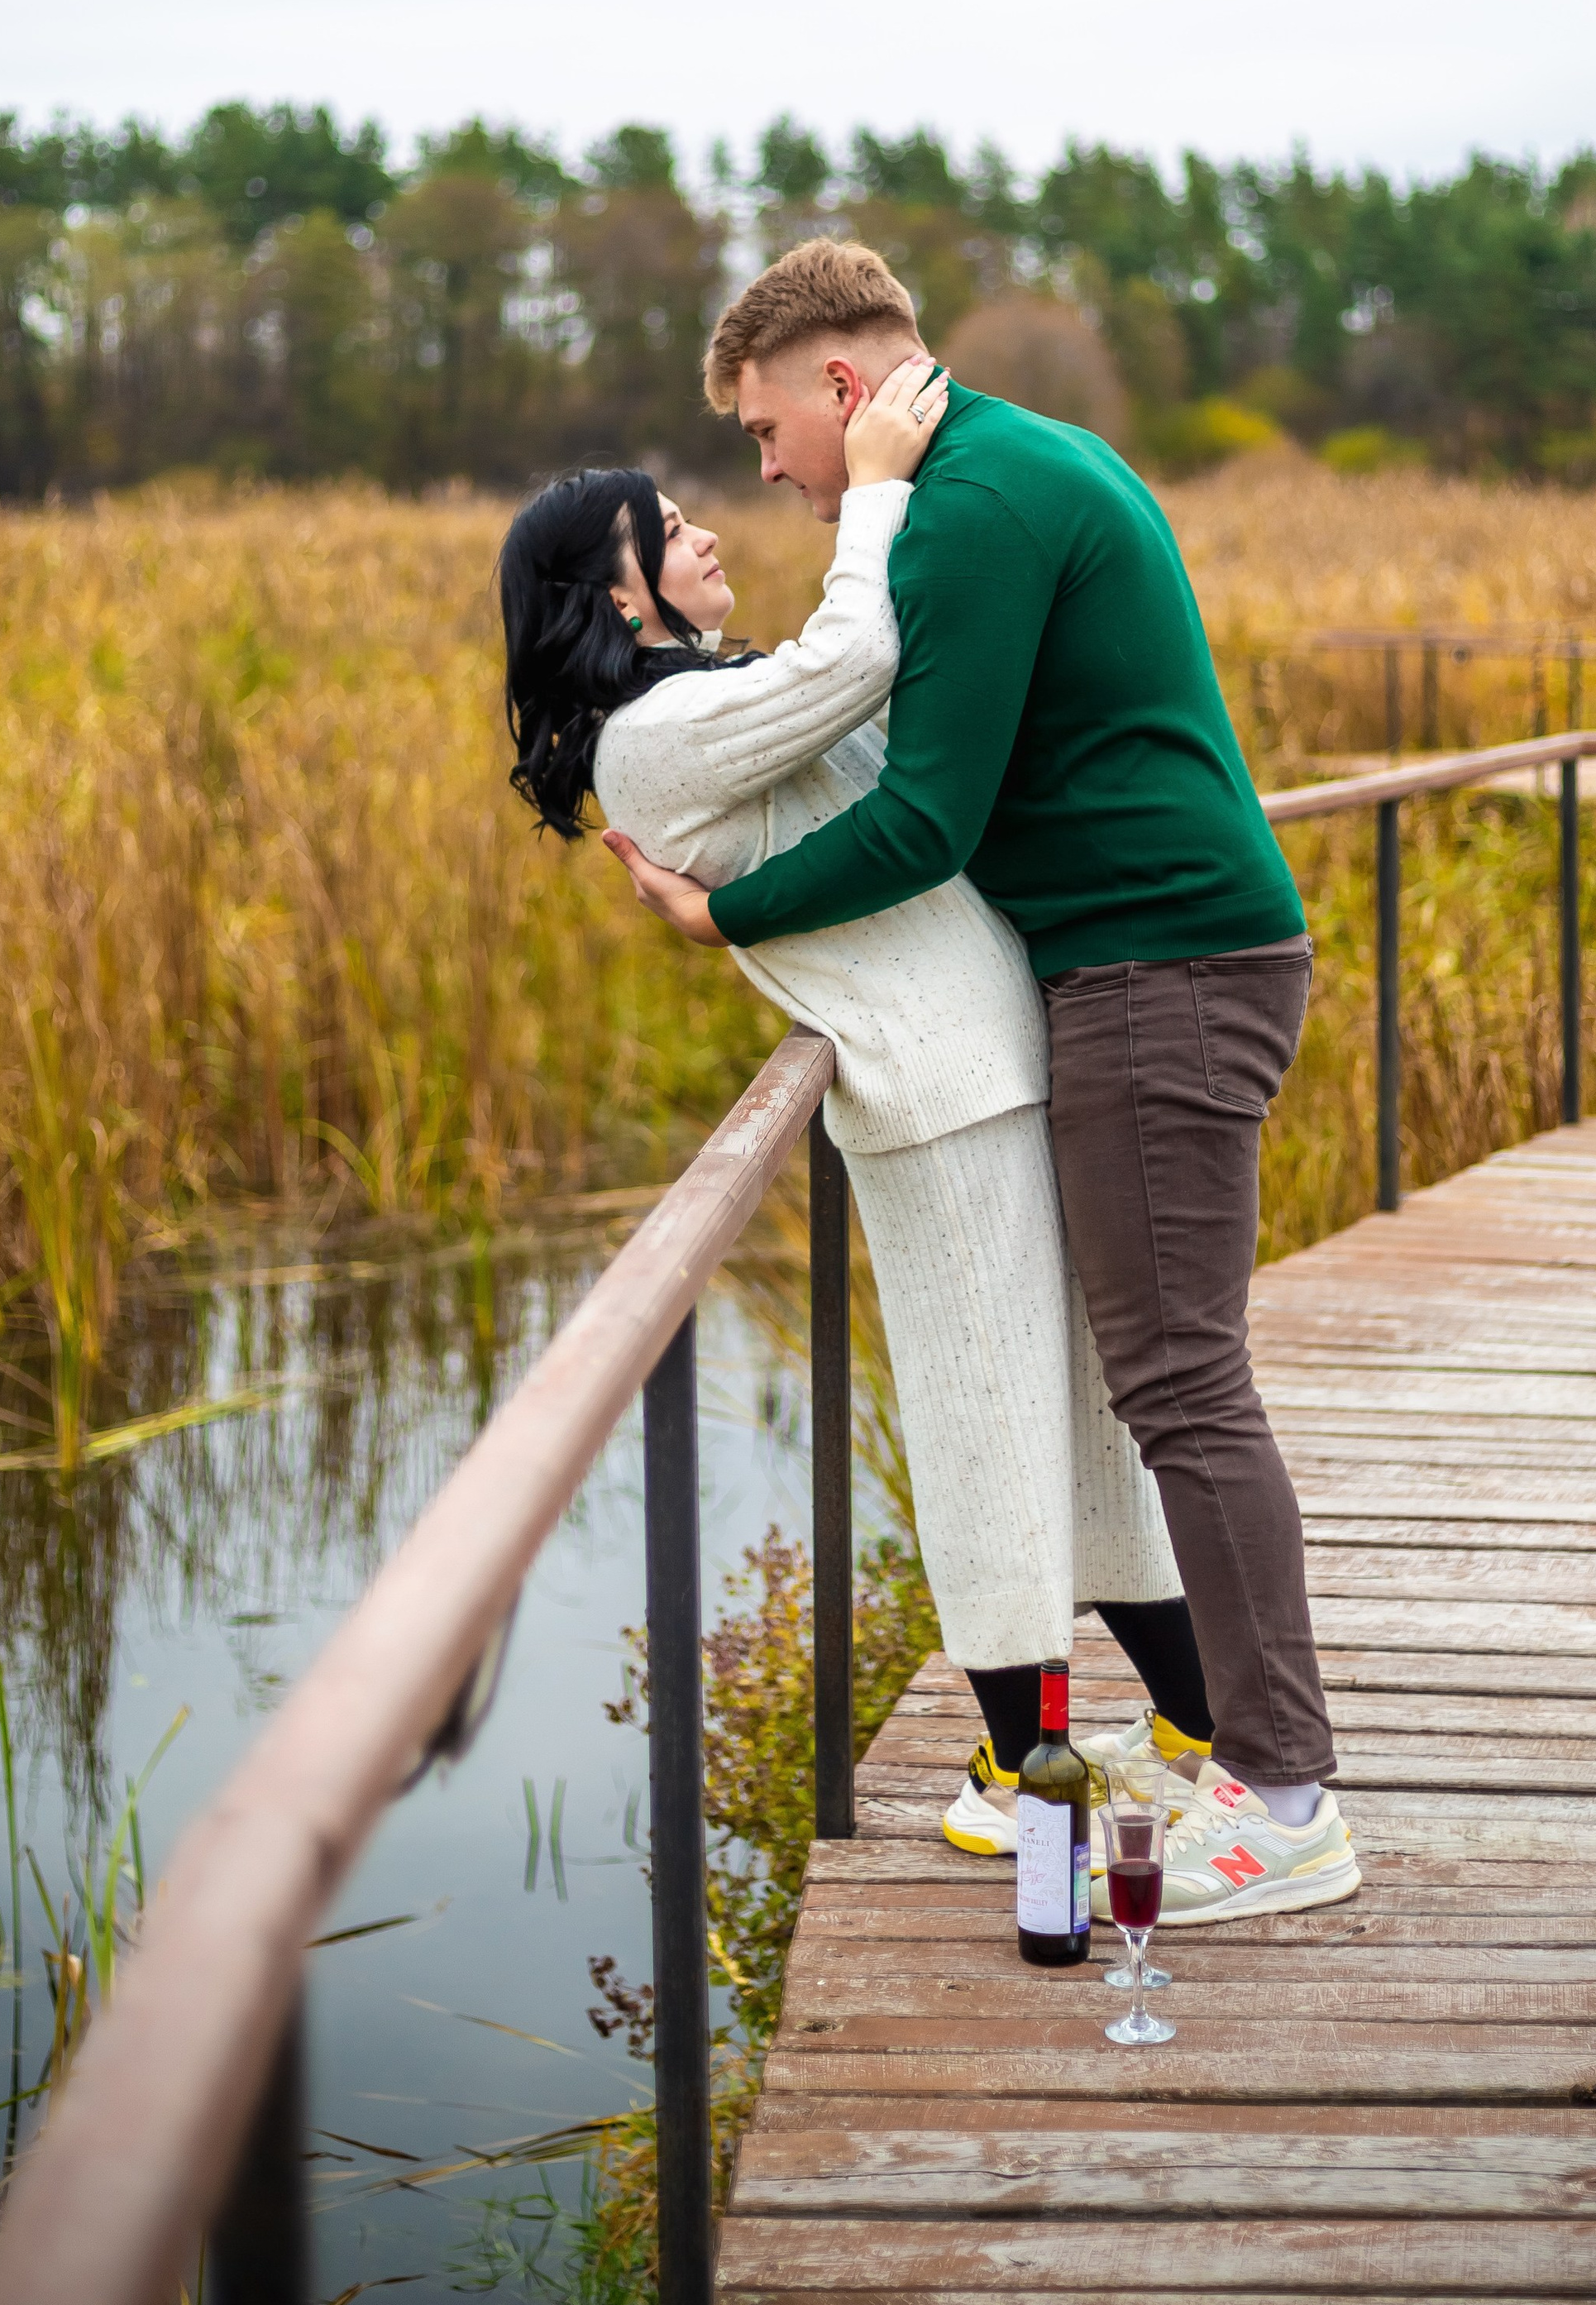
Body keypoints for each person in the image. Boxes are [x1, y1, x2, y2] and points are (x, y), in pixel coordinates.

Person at [604, 239, 1358, 1926]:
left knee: (1177, 1382)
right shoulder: (1019, 459)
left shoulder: (968, 508)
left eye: (762, 431)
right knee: (1170, 1375)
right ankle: (1247, 1762)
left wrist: (721, 911)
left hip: (1158, 968)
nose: (767, 472)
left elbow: (921, 821)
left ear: (839, 390)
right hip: (1138, 958)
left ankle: (1286, 1796)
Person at [497, 356, 1213, 1867]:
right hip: (971, 1065)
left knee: (999, 1419)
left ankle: (1040, 1774)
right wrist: (876, 497)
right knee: (1056, 1414)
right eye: (668, 523)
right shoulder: (656, 735)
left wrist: (877, 498)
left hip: (950, 1077)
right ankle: (1160, 1729)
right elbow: (851, 666)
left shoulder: (695, 707)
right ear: (617, 595)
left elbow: (863, 715)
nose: (704, 528)